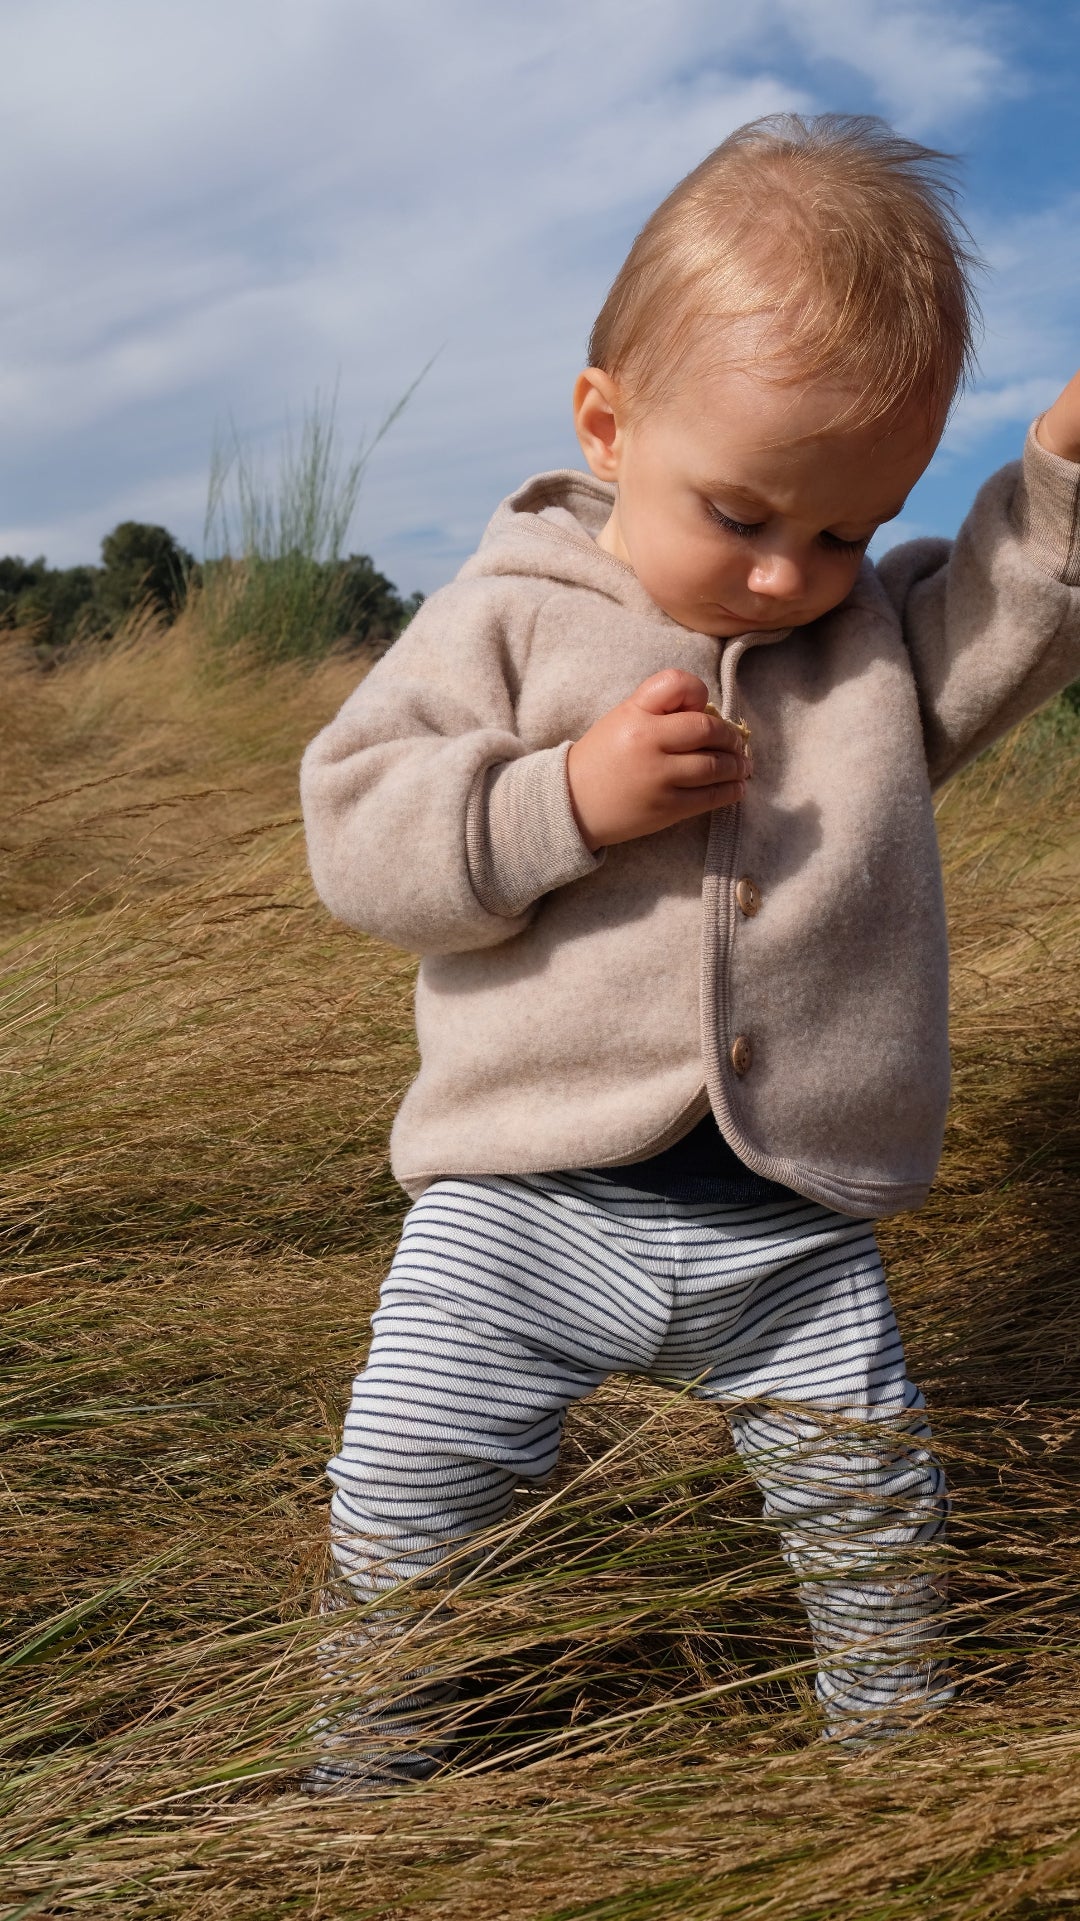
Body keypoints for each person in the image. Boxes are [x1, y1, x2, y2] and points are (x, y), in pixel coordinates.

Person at [298, 114, 1080, 1789]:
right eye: (742, 513)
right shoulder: (510, 604)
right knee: (406, 1482)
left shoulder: (858, 649)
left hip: (793, 1229)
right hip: (524, 1204)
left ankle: (891, 1760)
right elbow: (359, 833)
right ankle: (367, 1761)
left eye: (851, 532)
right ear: (609, 420)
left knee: (877, 1522)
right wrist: (564, 798)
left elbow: (1004, 618)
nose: (794, 574)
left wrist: (1065, 470)